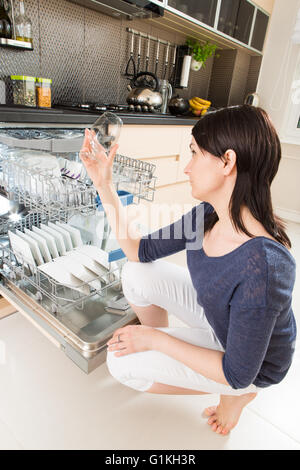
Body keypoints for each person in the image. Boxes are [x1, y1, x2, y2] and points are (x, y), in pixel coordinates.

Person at [79, 105, 297, 436]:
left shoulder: (263, 266)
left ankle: (238, 398)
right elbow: (140, 250)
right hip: (220, 324)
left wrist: (154, 340)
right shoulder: (208, 215)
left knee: (121, 365)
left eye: (195, 153)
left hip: (251, 367)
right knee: (136, 273)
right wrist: (104, 183)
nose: (187, 167)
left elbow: (236, 371)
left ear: (227, 161)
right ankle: (177, 353)